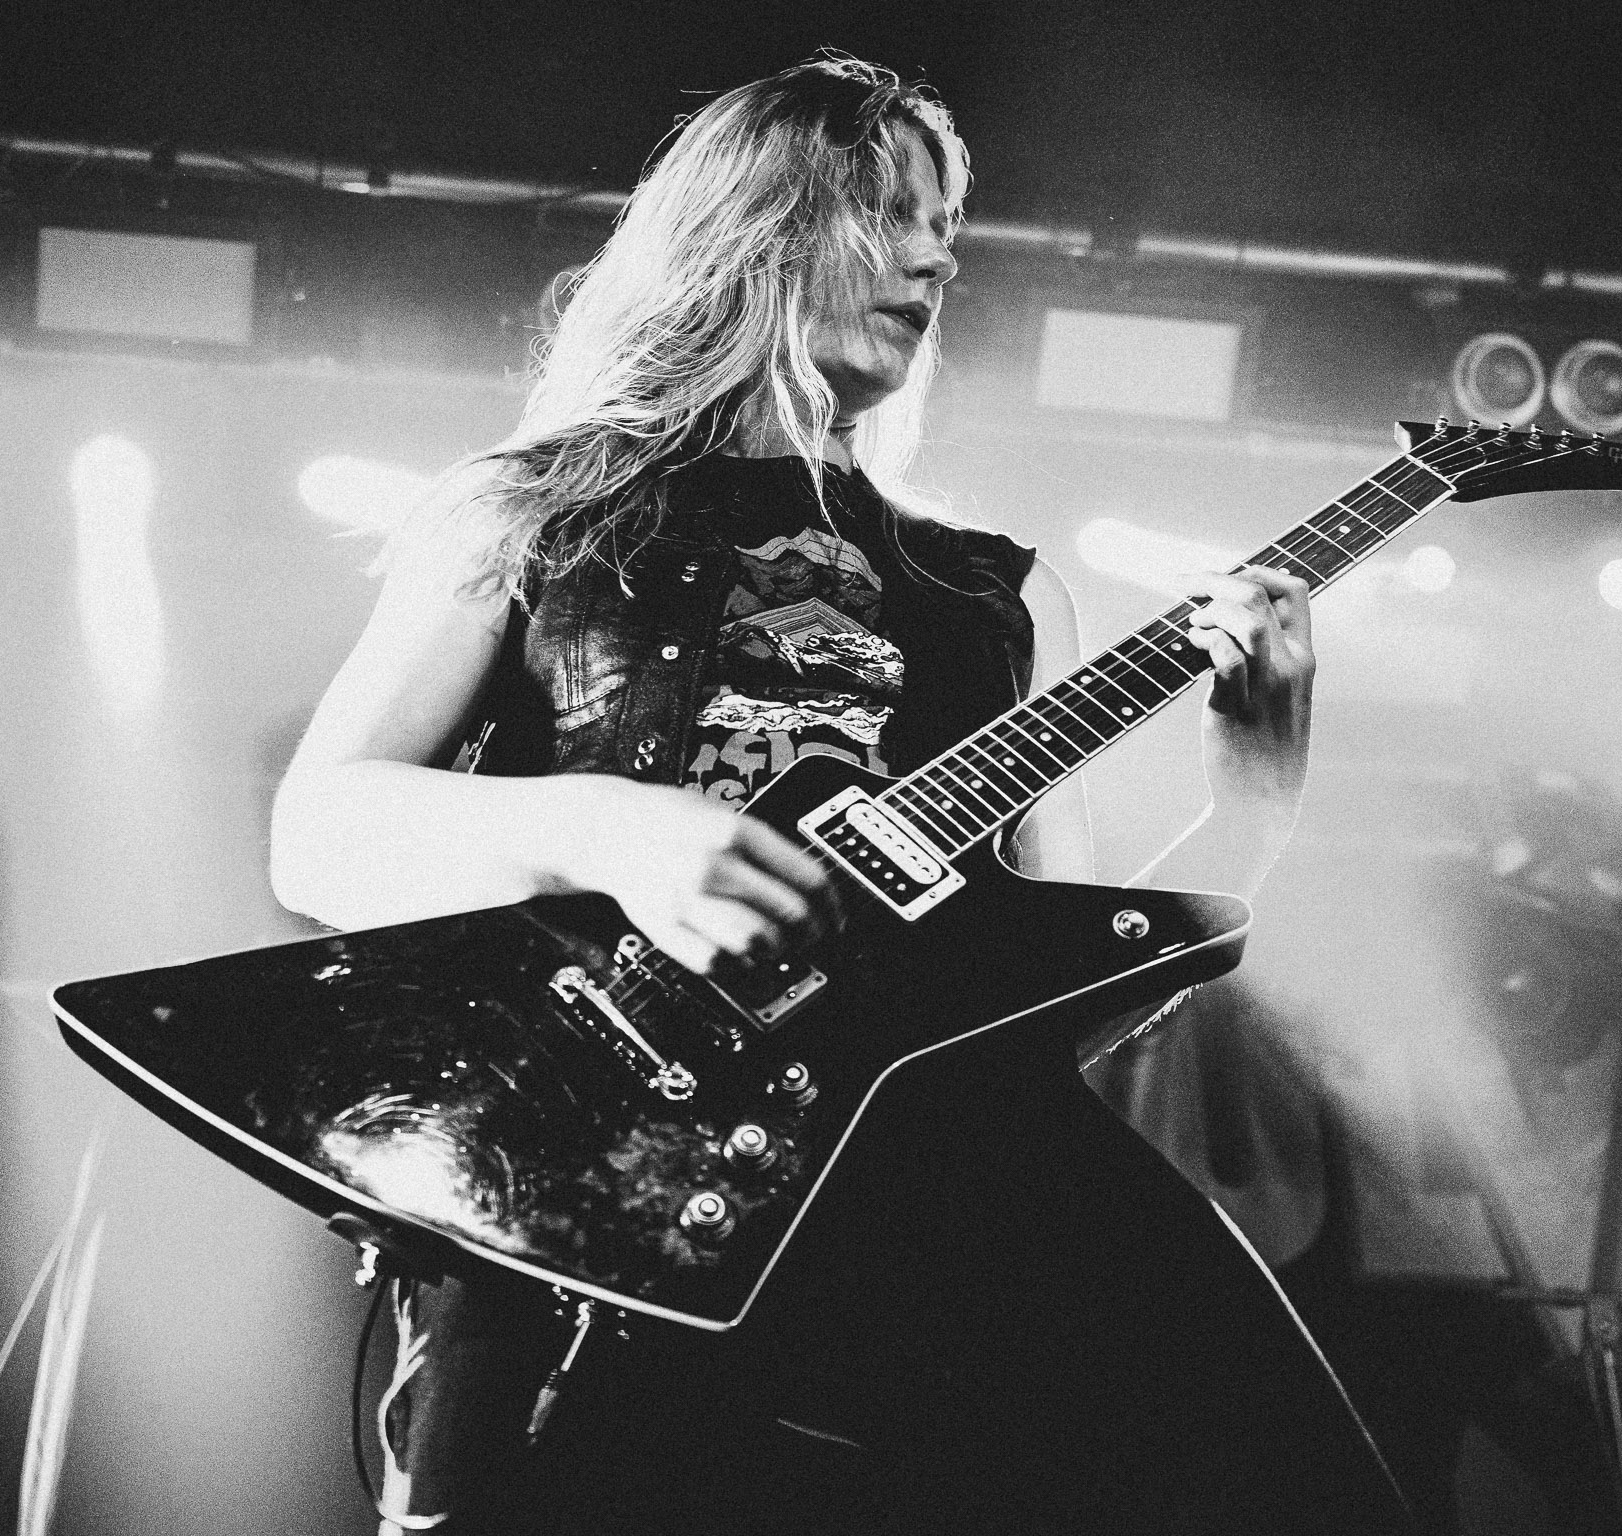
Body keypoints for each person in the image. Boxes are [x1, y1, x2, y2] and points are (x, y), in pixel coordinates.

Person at [271, 53, 1405, 1536]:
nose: (937, 259)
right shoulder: (536, 512)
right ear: (754, 225)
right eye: (892, 213)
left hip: (921, 1213)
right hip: (581, 1191)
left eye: (948, 227)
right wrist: (607, 829)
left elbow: (1058, 999)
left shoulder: (998, 595)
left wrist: (1253, 799)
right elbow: (319, 832)